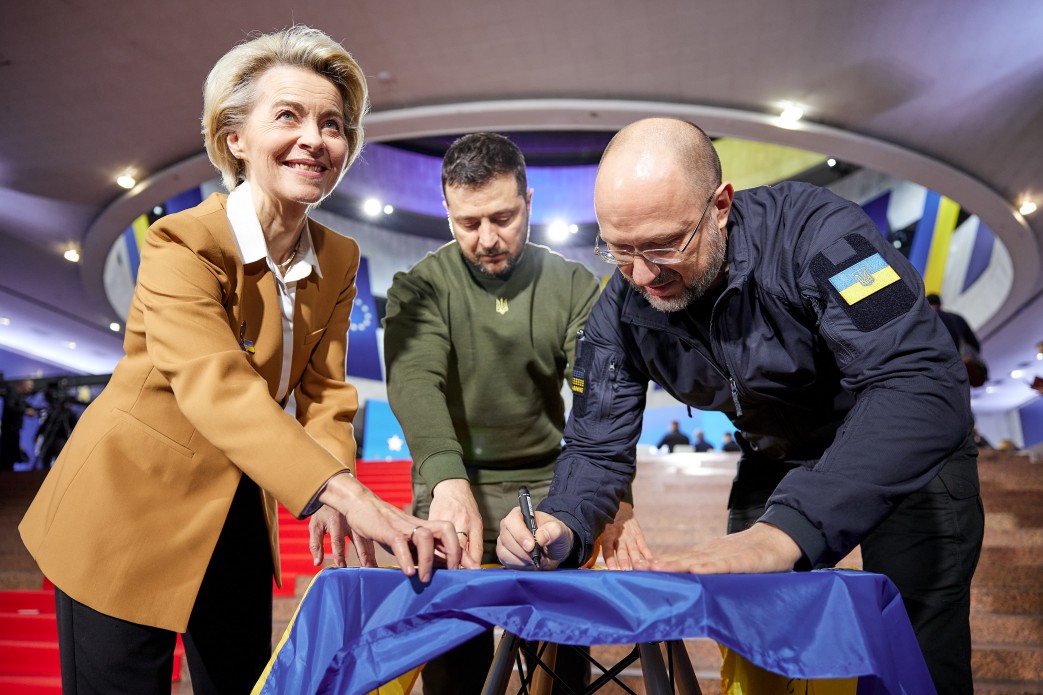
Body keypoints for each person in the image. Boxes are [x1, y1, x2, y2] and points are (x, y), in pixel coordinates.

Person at [19, 27, 462, 695]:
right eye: (288, 115)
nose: (315, 137)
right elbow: (217, 388)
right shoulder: (181, 242)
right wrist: (345, 493)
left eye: (332, 123)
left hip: (232, 513)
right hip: (122, 507)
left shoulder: (339, 257)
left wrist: (332, 485)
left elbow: (325, 390)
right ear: (235, 139)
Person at [498, 118, 983, 695]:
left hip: (905, 458)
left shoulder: (820, 234)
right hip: (774, 457)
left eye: (664, 245)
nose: (645, 275)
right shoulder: (620, 311)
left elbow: (920, 381)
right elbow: (595, 447)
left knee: (914, 655)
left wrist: (785, 531)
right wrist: (564, 522)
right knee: (757, 655)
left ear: (720, 206)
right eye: (620, 249)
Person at [383, 132, 650, 694]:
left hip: (553, 486)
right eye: (467, 222)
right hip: (454, 484)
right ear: (447, 211)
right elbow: (414, 381)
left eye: (503, 218)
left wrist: (614, 501)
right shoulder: (419, 288)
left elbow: (603, 395)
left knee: (561, 668)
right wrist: (445, 480)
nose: (486, 239)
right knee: (453, 666)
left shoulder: (576, 285)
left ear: (530, 202)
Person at [1, 379, 36, 470]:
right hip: (9, 428)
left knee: (12, 451)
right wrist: (25, 411)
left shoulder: (20, 396)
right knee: (8, 451)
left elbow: (26, 405)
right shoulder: (12, 392)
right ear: (23, 385)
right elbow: (10, 407)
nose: (30, 390)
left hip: (15, 428)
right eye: (28, 387)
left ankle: (9, 470)